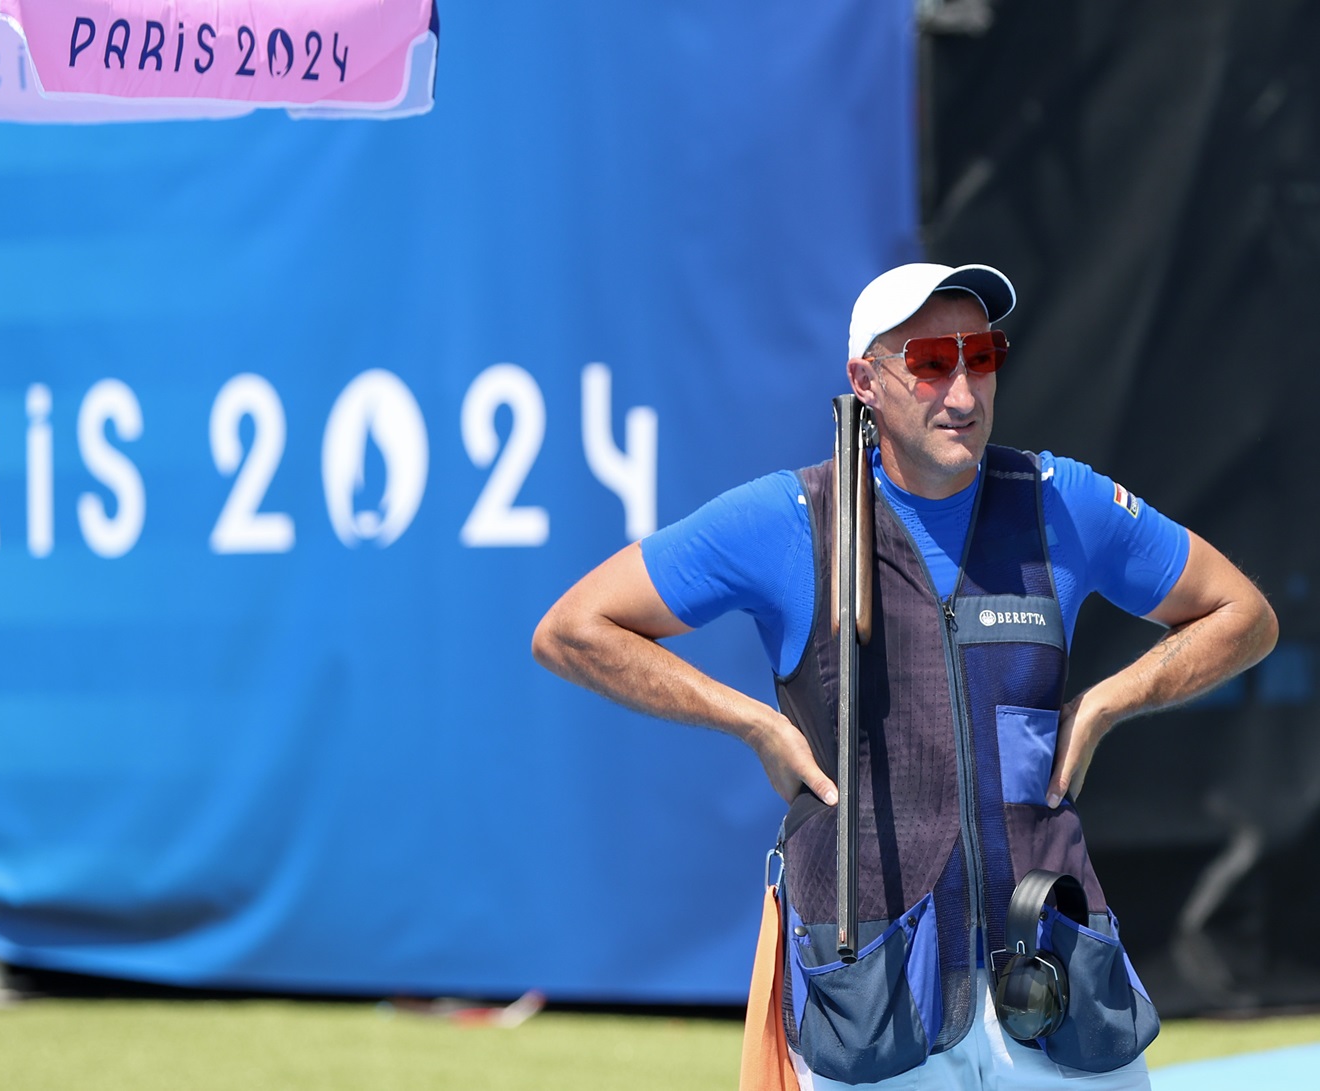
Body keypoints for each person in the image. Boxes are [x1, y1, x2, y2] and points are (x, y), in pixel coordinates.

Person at [532, 263, 1278, 1090]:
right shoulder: (790, 518)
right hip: (875, 990)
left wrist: (1107, 701)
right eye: (930, 362)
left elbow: (1243, 616)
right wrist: (754, 722)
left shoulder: (1060, 498)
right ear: (866, 380)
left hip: (1054, 970)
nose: (963, 392)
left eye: (983, 356)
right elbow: (572, 630)